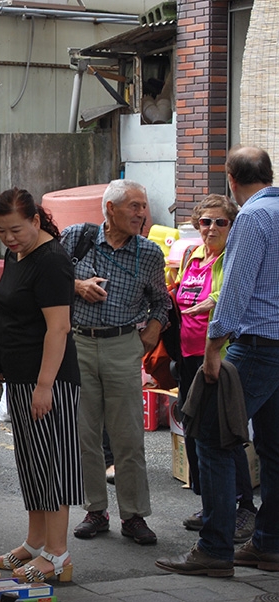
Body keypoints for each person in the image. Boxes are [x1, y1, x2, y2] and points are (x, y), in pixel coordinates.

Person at [157, 146, 279, 577]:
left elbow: (235, 290)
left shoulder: (252, 217)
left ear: (230, 178)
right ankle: (268, 545)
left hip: (257, 344)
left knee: (211, 436)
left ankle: (215, 548)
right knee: (271, 445)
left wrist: (213, 350)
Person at [61, 179, 170, 545]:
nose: (142, 213)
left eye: (143, 206)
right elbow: (51, 279)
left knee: (128, 436)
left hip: (124, 343)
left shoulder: (150, 252)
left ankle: (134, 515)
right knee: (86, 433)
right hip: (78, 343)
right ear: (110, 209)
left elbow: (163, 300)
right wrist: (78, 287)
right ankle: (95, 510)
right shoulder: (77, 238)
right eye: (134, 206)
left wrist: (153, 329)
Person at [0, 188, 82, 583]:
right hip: (21, 375)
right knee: (30, 463)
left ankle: (58, 554)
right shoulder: (18, 255)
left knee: (52, 465)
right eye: (1, 232)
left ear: (35, 220)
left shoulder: (52, 260)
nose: (9, 238)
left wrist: (44, 385)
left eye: (15, 229)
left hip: (51, 379)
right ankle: (34, 542)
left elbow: (58, 328)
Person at [172, 194, 256, 541]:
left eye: (221, 222)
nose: (211, 228)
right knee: (194, 432)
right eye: (206, 221)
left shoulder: (232, 258)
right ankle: (212, 505)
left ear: (232, 226)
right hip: (189, 356)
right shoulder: (192, 255)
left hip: (219, 356)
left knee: (222, 433)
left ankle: (242, 508)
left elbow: (238, 295)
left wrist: (215, 300)